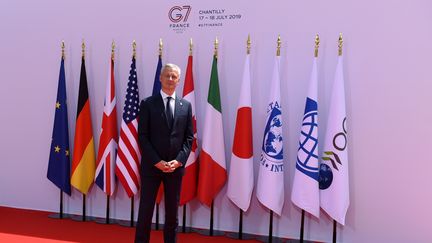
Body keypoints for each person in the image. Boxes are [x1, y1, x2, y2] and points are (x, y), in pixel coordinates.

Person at [135, 63, 193, 243]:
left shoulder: (186, 106)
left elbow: (189, 138)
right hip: (152, 167)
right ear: (160, 78)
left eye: (174, 76)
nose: (170, 79)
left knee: (172, 215)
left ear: (178, 80)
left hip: (175, 168)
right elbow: (142, 136)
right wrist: (157, 161)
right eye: (167, 75)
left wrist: (178, 161)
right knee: (145, 212)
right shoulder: (147, 103)